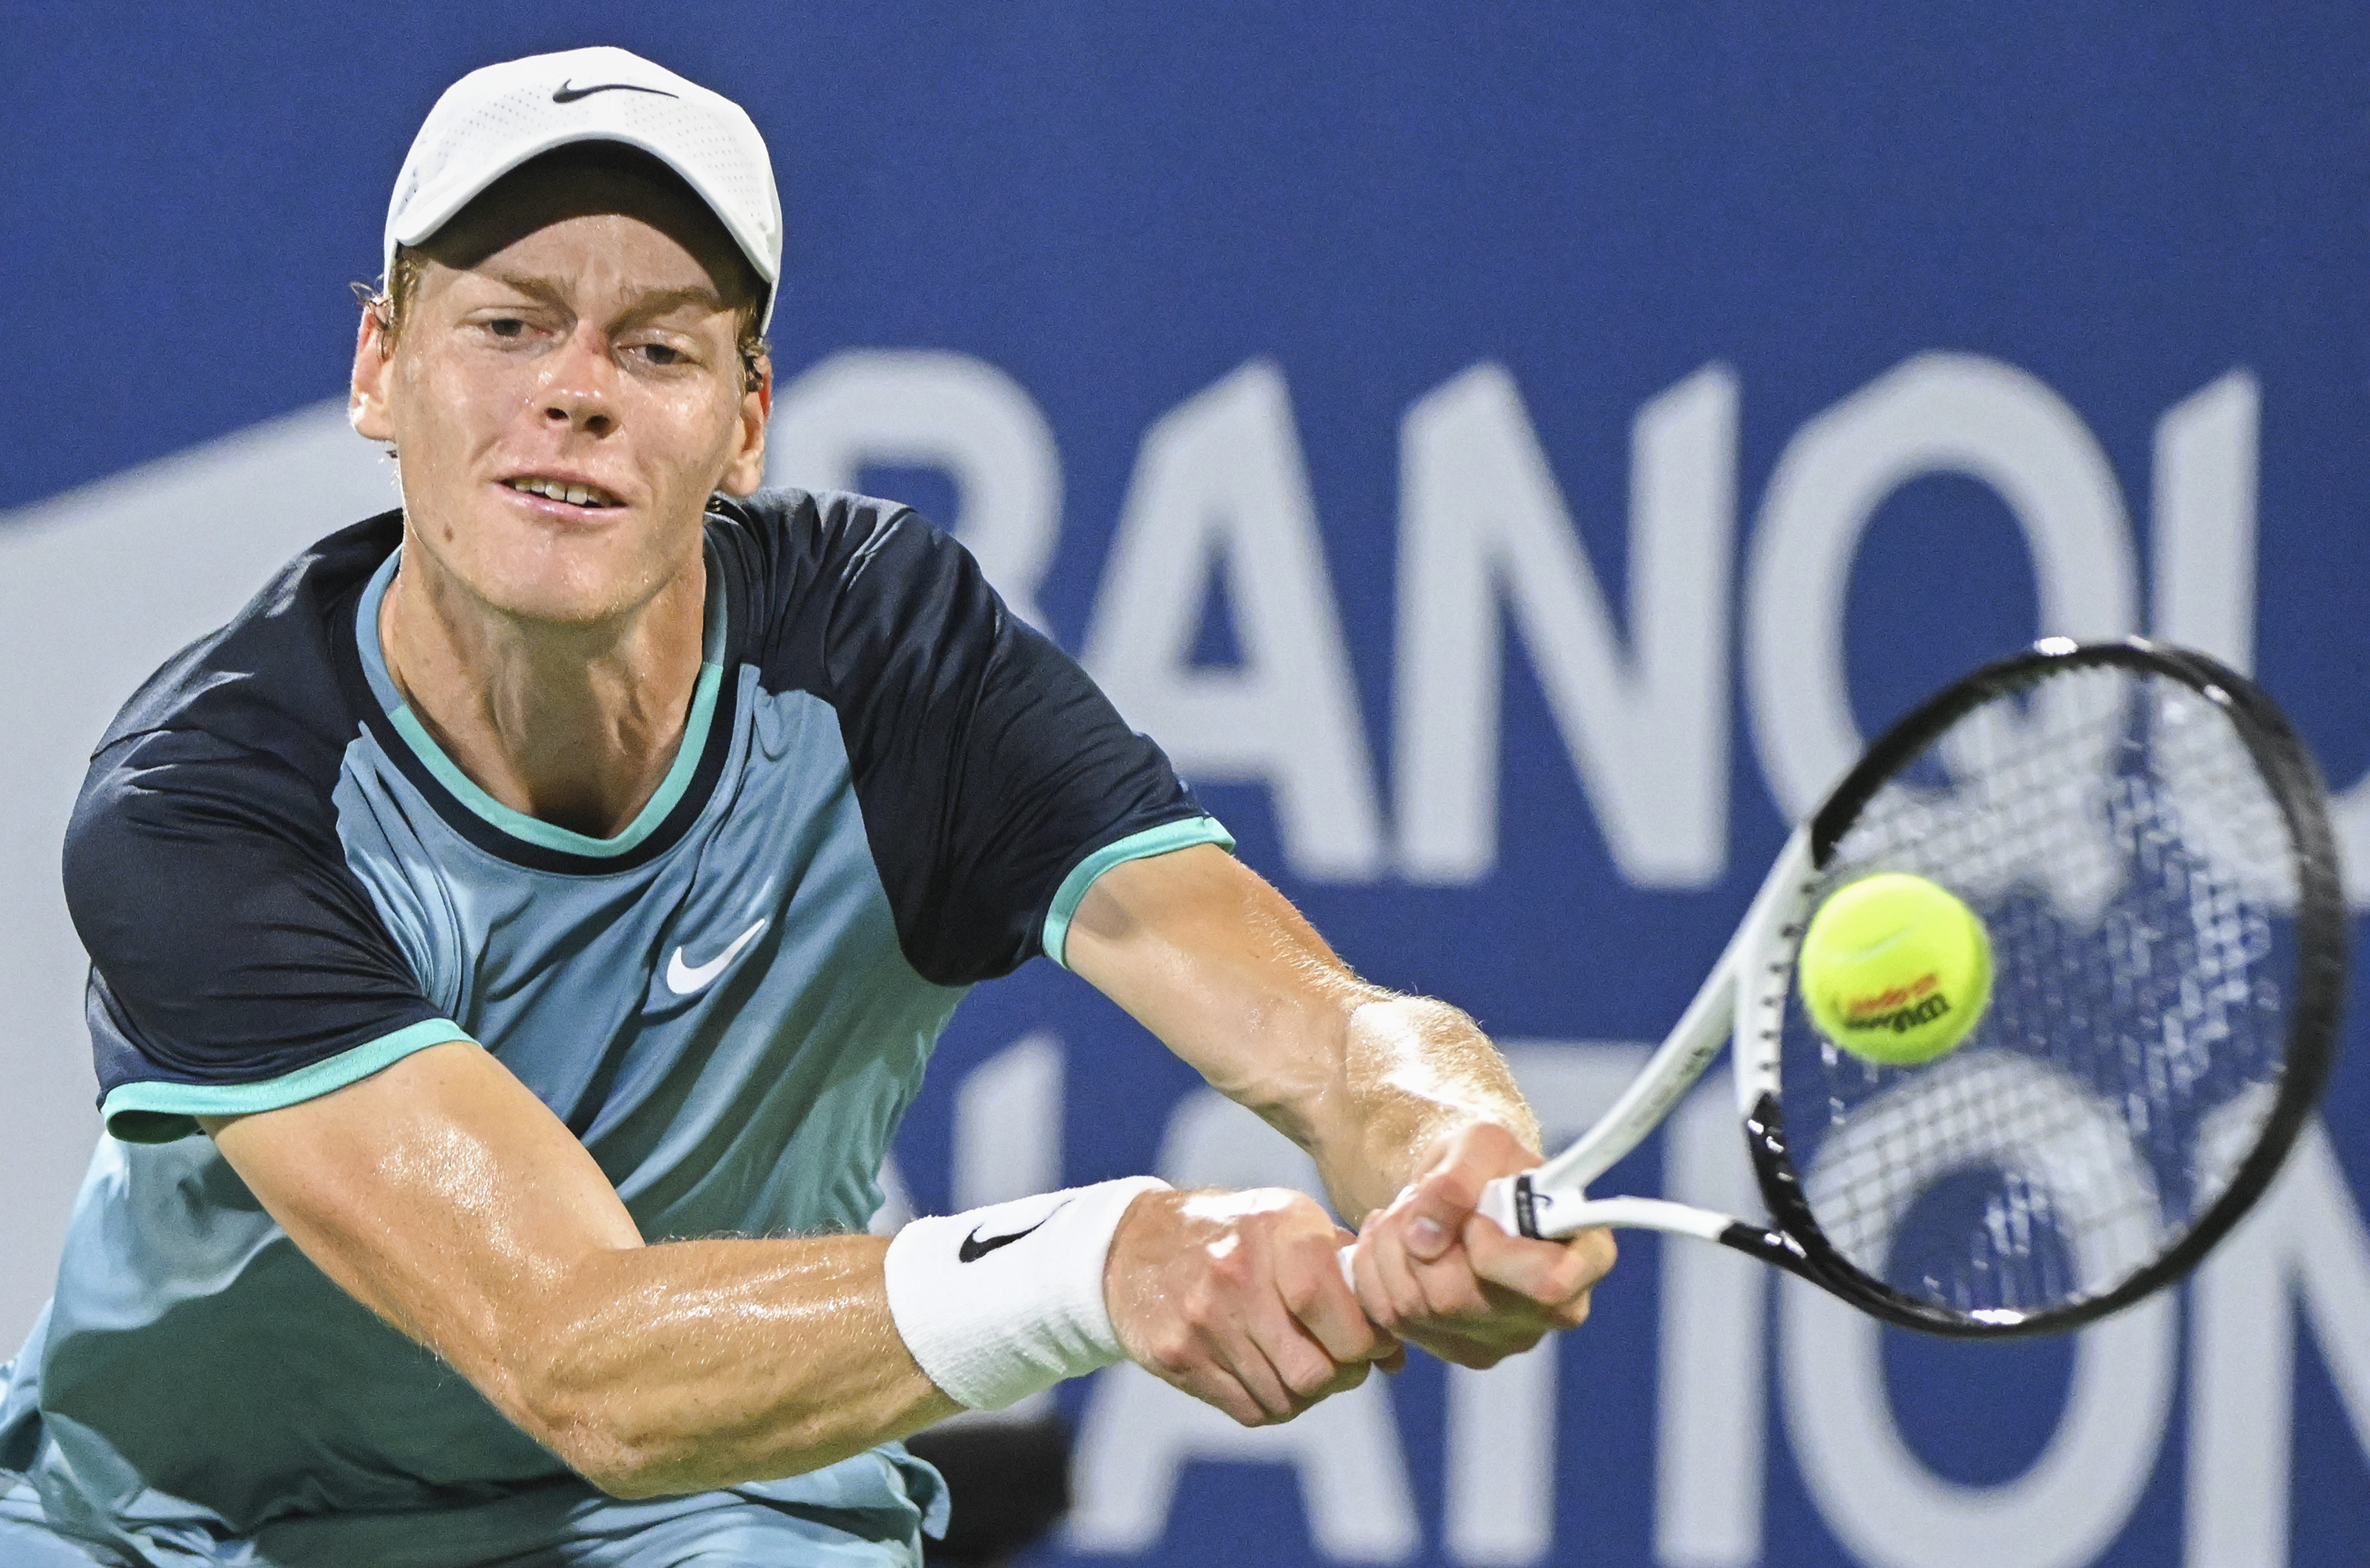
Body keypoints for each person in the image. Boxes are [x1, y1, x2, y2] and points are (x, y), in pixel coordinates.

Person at [0, 45, 1614, 1567]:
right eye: (508, 325)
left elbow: (1326, 1031)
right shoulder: (209, 807)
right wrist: (1095, 1266)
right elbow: (575, 1350)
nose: (576, 392)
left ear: (744, 422)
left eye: (656, 348)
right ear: (381, 368)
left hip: (708, 1512)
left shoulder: (891, 664)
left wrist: (1446, 1144)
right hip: (177, 1528)